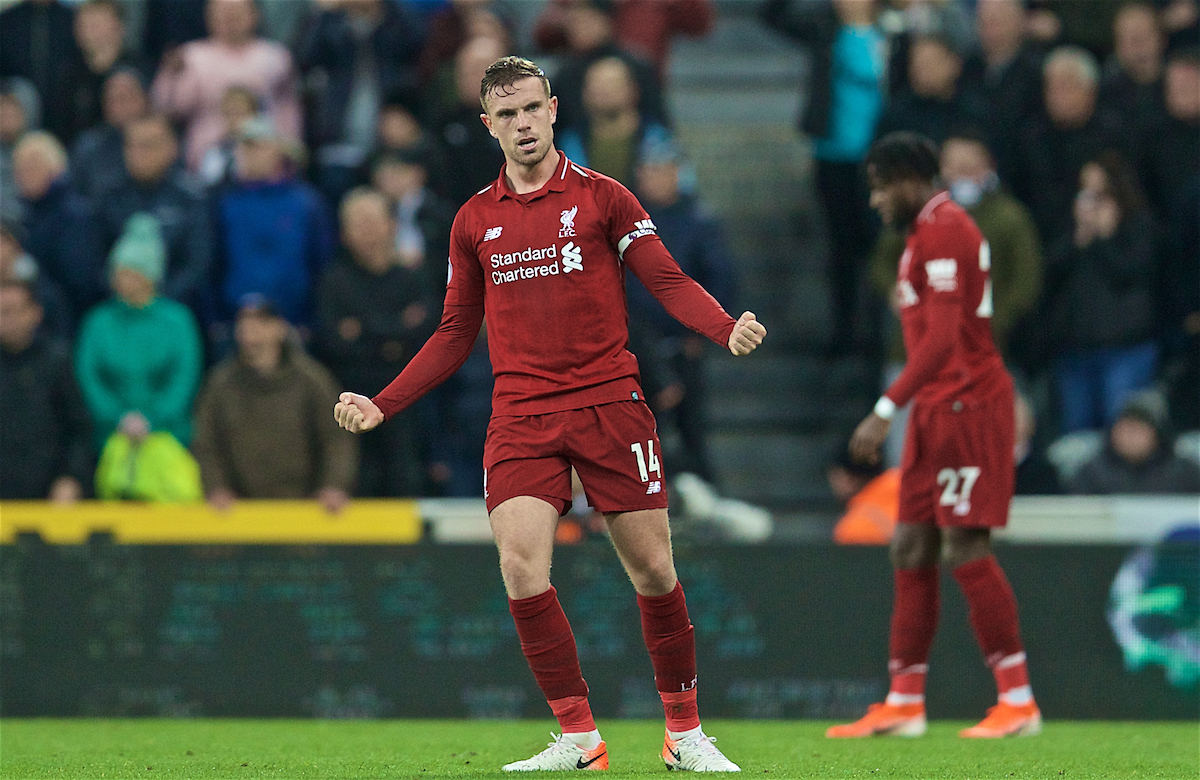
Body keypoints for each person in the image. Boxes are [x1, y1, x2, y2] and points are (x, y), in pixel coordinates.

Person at [334, 56, 764, 772]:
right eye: (507, 114)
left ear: (554, 109)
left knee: (654, 570)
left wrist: (723, 327)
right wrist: (384, 403)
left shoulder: (605, 198)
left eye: (532, 109)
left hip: (608, 404)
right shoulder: (473, 219)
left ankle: (684, 734)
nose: (523, 124)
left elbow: (664, 277)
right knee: (520, 566)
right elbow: (452, 332)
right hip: (522, 413)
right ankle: (580, 737)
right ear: (487, 125)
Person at [829, 132, 1041, 740]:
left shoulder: (946, 229)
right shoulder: (921, 236)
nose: (873, 200)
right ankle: (903, 701)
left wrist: (885, 407)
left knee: (966, 546)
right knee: (910, 546)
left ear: (906, 180)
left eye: (877, 186)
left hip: (968, 406)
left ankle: (1018, 699)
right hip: (935, 409)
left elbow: (945, 340)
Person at [761, 0, 887, 357]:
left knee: (880, 244)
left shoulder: (894, 31)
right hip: (833, 155)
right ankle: (844, 330)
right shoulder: (824, 29)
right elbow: (773, 16)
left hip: (879, 156)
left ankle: (877, 332)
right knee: (841, 246)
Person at [315, 187, 439, 497]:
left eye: (373, 220)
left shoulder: (416, 278)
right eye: (357, 223)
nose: (367, 230)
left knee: (407, 471)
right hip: (351, 394)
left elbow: (428, 336)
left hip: (409, 396)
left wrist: (363, 331)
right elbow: (334, 342)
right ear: (343, 234)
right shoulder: (334, 282)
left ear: (392, 224)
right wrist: (395, 332)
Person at [192, 295, 357, 514]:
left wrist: (333, 486)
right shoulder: (220, 384)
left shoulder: (311, 381)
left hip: (304, 513)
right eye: (244, 323)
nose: (250, 330)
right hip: (239, 514)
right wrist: (216, 487)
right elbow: (205, 441)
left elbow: (336, 438)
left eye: (261, 322)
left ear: (280, 328)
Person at [1042, 151, 1158, 433]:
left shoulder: (1139, 227)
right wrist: (1080, 239)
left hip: (1125, 349)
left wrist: (1106, 238)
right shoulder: (1072, 230)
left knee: (1120, 428)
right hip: (1076, 347)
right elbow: (1049, 277)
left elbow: (1129, 275)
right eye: (1086, 192)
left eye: (1101, 193)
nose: (1091, 201)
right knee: (1076, 432)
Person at [75, 213, 204, 452]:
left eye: (130, 273)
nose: (121, 280)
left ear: (149, 276)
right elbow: (88, 376)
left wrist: (152, 419)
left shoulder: (177, 321)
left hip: (169, 438)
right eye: (118, 272)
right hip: (110, 438)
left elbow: (184, 376)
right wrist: (117, 417)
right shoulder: (98, 321)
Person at [211, 116, 334, 330]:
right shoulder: (226, 202)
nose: (247, 154)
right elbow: (214, 263)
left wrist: (311, 318)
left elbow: (322, 261)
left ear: (277, 151)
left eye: (256, 147)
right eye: (243, 147)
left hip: (294, 321)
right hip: (237, 322)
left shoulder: (306, 203)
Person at [150, 0, 301, 172]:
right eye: (222, 11)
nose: (230, 17)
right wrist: (172, 77)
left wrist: (290, 150)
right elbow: (171, 109)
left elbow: (288, 110)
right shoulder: (191, 56)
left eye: (237, 10)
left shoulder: (275, 56)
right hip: (206, 156)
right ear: (209, 17)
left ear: (254, 14)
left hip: (264, 158)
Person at [95, 114, 212, 313]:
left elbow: (198, 263)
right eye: (132, 145)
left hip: (175, 310)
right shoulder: (109, 196)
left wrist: (155, 300)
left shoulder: (191, 198)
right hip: (118, 309)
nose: (139, 153)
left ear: (172, 148)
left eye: (148, 145)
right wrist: (121, 292)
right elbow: (95, 257)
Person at [0, 279, 92, 502]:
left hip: (49, 498)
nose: (6, 320)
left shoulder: (56, 362)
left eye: (12, 311)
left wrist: (71, 477)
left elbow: (79, 429)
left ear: (35, 313)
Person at [13, 131, 105, 315]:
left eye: (32, 167)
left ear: (56, 169)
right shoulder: (25, 215)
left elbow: (80, 280)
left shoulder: (75, 215)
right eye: (20, 169)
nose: (24, 176)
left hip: (68, 316)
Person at [556, 55, 676, 188]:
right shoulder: (570, 142)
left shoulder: (658, 140)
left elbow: (684, 190)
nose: (604, 91)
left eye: (612, 84)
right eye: (596, 85)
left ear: (632, 90)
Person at [1069, 390, 1200, 494]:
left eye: (1138, 429)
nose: (1130, 436)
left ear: (1158, 435)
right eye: (1124, 428)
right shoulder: (1091, 473)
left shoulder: (1186, 473)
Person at [70, 67, 150, 200]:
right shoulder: (88, 146)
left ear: (145, 99)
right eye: (111, 100)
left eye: (125, 99)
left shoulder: (161, 140)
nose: (118, 107)